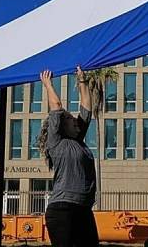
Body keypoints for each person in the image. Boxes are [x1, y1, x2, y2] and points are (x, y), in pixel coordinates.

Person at [38, 66, 98, 247]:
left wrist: (82, 80)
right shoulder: (56, 142)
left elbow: (86, 110)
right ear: (62, 126)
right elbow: (56, 107)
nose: (75, 121)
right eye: (71, 120)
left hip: (83, 208)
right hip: (62, 209)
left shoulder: (78, 139)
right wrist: (47, 83)